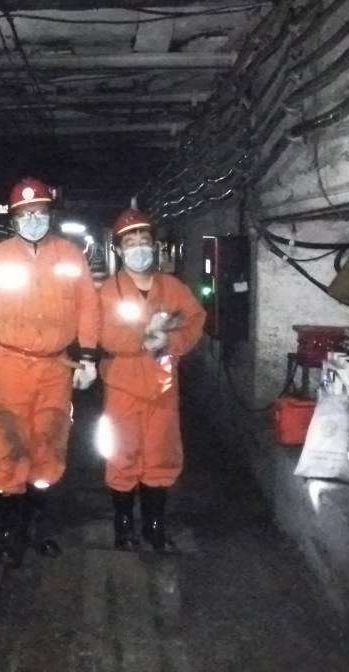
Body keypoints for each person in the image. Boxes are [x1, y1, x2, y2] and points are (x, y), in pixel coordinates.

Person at [0, 178, 101, 566]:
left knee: (49, 442)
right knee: (7, 444)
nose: (33, 220)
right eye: (25, 214)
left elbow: (88, 308)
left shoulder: (70, 256)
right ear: (13, 219)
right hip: (9, 364)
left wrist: (88, 357)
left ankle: (40, 527)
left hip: (56, 366)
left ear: (50, 215)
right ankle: (10, 532)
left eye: (40, 212)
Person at [97, 209, 205, 552]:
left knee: (161, 454)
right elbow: (102, 333)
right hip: (123, 384)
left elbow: (194, 320)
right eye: (130, 242)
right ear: (119, 249)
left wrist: (169, 341)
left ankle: (154, 526)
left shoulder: (173, 288)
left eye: (144, 241)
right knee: (122, 453)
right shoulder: (108, 292)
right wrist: (143, 338)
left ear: (154, 246)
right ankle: (123, 526)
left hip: (162, 385)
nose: (139, 248)